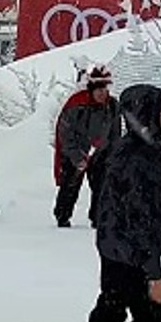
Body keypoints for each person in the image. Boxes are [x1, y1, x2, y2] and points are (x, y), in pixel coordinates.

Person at [82, 84, 161, 322]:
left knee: (112, 303)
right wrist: (154, 274)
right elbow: (140, 223)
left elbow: (98, 176)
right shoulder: (141, 160)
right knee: (158, 317)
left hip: (113, 247)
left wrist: (106, 222)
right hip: (133, 254)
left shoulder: (123, 148)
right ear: (147, 116)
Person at [54, 67, 121, 228]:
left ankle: (98, 218)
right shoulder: (76, 105)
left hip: (100, 153)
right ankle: (63, 216)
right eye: (98, 90)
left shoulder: (112, 106)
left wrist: (112, 154)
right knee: (70, 185)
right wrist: (77, 158)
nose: (102, 93)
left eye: (104, 89)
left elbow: (115, 133)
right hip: (76, 152)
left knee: (102, 186)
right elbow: (65, 134)